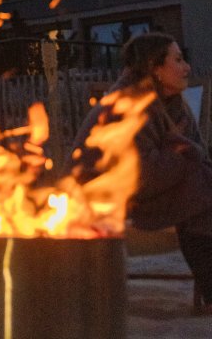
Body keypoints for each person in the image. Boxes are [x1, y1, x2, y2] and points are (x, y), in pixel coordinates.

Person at [72, 32, 212, 315]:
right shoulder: (127, 106)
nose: (186, 68)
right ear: (155, 68)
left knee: (203, 187)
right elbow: (137, 172)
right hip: (104, 195)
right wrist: (183, 156)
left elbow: (195, 153)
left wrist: (186, 156)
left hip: (151, 188)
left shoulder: (176, 106)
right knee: (203, 200)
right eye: (178, 59)